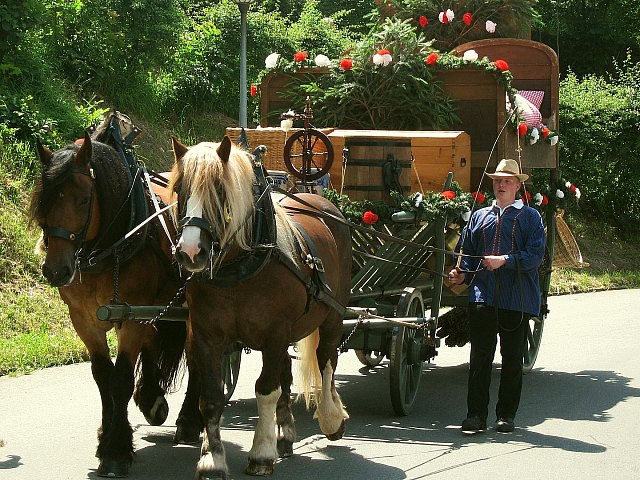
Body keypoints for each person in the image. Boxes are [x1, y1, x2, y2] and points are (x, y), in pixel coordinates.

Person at [449, 158, 545, 433]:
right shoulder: (479, 216)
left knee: (512, 358)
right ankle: (476, 416)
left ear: (517, 186)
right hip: (483, 296)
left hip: (515, 299)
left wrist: (505, 259)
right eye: (497, 181)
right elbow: (467, 256)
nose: (501, 185)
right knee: (480, 356)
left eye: (507, 181)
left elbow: (535, 255)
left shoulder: (530, 217)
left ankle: (506, 416)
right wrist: (462, 275)